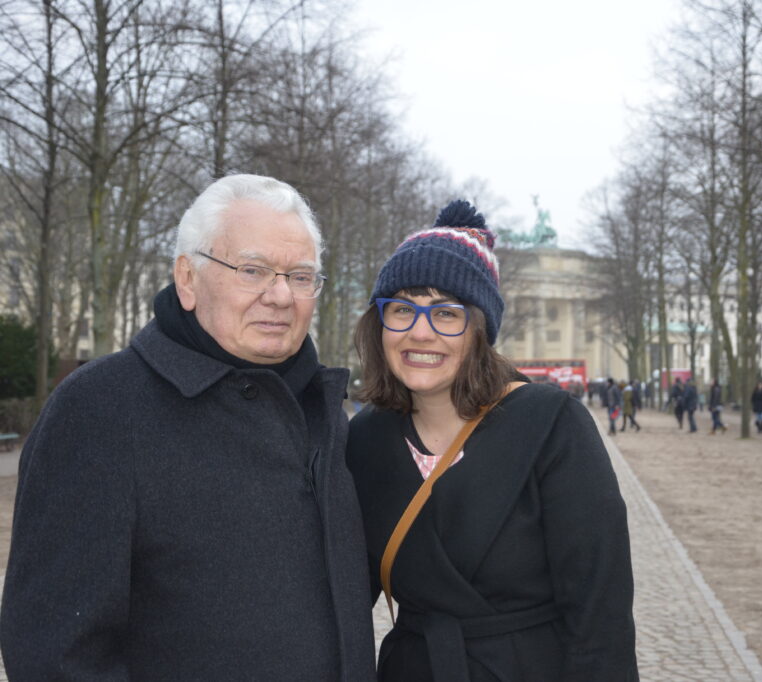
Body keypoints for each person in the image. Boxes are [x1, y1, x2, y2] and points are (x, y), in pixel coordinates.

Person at [0, 175, 375, 679]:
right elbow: (55, 654)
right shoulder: (100, 409)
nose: (281, 295)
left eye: (301, 276)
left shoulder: (327, 411)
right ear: (187, 278)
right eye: (253, 270)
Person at [346, 200, 638, 681]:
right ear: (380, 325)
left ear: (480, 328)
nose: (421, 332)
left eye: (447, 313)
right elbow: (341, 600)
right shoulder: (364, 439)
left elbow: (600, 617)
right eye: (401, 309)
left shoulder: (551, 425)